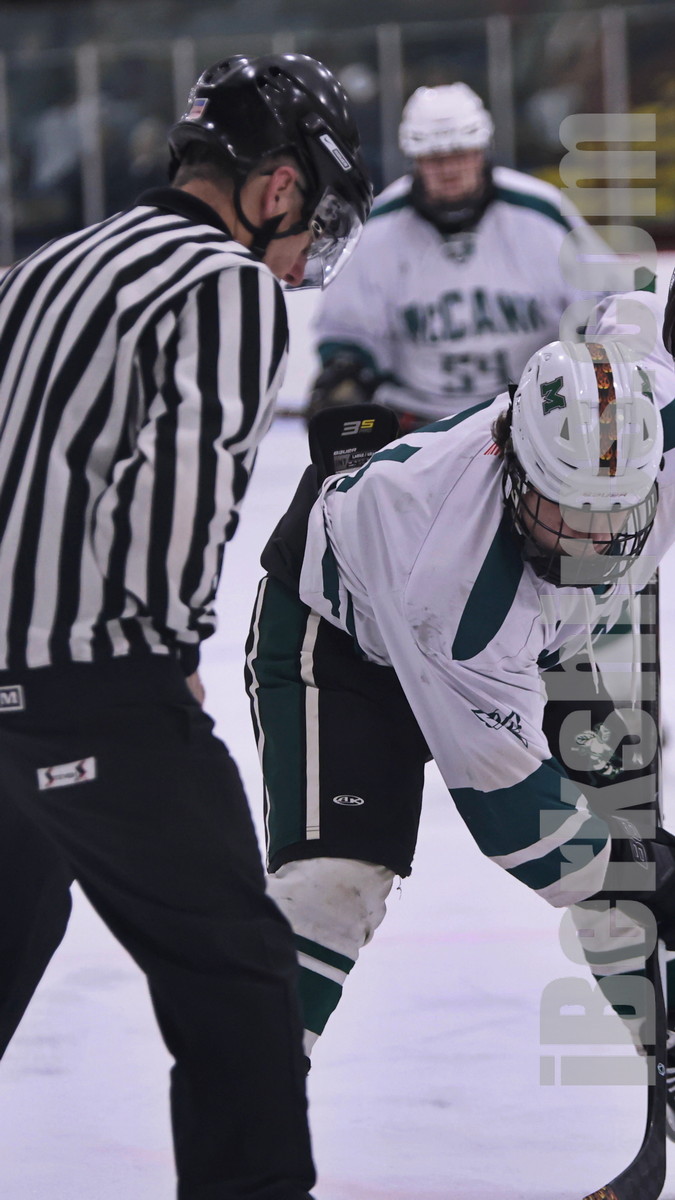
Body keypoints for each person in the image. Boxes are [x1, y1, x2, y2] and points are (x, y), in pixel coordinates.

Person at [0, 52, 371, 1199]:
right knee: (237, 981)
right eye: (317, 223)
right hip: (92, 688)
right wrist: (164, 656)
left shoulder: (35, 271)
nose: (305, 259)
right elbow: (181, 487)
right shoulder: (224, 286)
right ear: (277, 187)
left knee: (12, 927)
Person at [245, 293, 675, 1125]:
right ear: (513, 468)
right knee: (335, 883)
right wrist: (650, 869)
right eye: (566, 511)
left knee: (626, 850)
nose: (595, 539)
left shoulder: (647, 415)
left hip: (537, 633)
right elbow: (520, 828)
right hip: (343, 639)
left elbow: (629, 312)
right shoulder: (452, 590)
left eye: (616, 513)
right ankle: (248, 1116)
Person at [305, 81, 629, 432]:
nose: (449, 170)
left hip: (534, 415)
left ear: (482, 150)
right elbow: (347, 332)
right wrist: (345, 378)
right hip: (417, 424)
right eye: (434, 158)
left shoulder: (541, 213)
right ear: (414, 159)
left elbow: (610, 304)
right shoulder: (379, 228)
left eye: (460, 153)